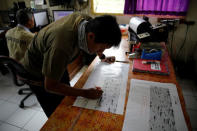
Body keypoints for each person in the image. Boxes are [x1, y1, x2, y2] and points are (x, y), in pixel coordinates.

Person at [22, 12, 122, 117]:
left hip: (54, 59)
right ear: (91, 36)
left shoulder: (88, 22)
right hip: (36, 71)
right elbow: (50, 86)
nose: (101, 50)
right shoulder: (61, 46)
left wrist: (103, 57)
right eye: (101, 48)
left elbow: (98, 42)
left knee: (67, 99)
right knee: (57, 114)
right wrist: (85, 93)